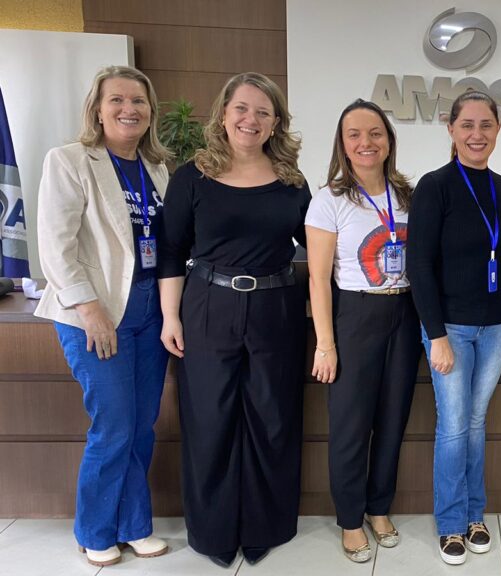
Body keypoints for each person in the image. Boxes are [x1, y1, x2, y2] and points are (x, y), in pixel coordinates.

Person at [157, 72, 311, 568]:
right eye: (242, 108)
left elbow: (319, 246)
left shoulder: (292, 182)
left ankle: (267, 526)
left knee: (272, 417)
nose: (251, 119)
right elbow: (171, 250)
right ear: (223, 114)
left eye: (263, 112)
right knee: (210, 418)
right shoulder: (192, 176)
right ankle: (214, 531)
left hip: (276, 306)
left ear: (276, 123)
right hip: (208, 304)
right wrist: (169, 316)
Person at [35, 65, 171, 567]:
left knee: (141, 424)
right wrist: (89, 308)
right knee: (113, 425)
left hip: (150, 311)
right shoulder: (70, 160)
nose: (128, 109)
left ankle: (134, 525)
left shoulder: (158, 167)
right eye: (117, 100)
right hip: (96, 310)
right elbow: (56, 244)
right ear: (97, 108)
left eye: (138, 101)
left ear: (150, 111)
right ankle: (94, 529)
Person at [407, 90, 501, 566]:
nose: (477, 134)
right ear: (451, 129)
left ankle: (476, 514)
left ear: (498, 130)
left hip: (497, 327)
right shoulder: (434, 186)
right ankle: (452, 522)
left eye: (486, 125)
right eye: (467, 125)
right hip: (451, 329)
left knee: (476, 423)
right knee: (455, 426)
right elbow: (419, 265)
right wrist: (435, 335)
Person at [305, 99, 420, 563]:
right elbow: (318, 279)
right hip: (354, 315)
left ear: (389, 140)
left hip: (405, 314)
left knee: (392, 420)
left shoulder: (408, 195)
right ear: (342, 143)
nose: (365, 142)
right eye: (354, 134)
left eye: (375, 133)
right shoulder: (329, 200)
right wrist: (325, 344)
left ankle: (378, 507)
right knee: (351, 426)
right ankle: (351, 519)